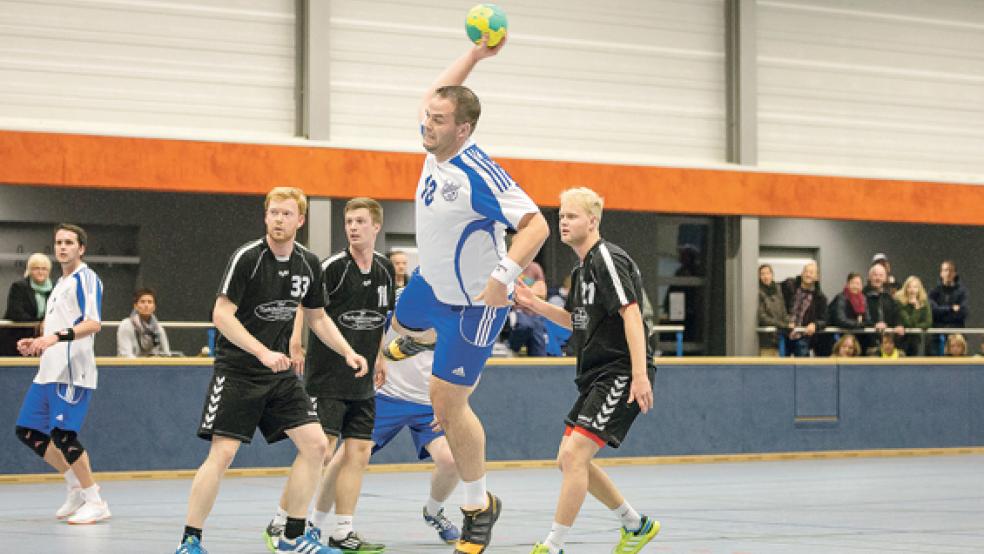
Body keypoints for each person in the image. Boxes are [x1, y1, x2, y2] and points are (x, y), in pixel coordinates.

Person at [386, 32, 550, 554]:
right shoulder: (435, 144)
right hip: (429, 285)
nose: (425, 125)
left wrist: (503, 277)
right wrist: (476, 55)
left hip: (473, 308)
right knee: (401, 326)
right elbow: (442, 87)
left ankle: (479, 506)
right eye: (426, 117)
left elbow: (536, 225)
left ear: (464, 128)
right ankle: (419, 337)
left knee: (446, 402)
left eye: (437, 121)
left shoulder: (478, 170)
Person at [176, 187, 367, 554]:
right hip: (238, 371)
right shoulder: (248, 258)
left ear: (300, 220)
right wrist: (263, 352)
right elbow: (221, 315)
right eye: (273, 213)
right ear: (266, 217)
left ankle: (292, 537)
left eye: (286, 214)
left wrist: (348, 351)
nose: (278, 220)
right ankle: (190, 540)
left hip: (278, 375)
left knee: (316, 446)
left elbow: (317, 316)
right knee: (223, 454)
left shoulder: (308, 263)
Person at [515, 187, 659, 554]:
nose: (563, 222)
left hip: (621, 370)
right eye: (561, 216)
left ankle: (555, 545)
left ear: (592, 221)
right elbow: (576, 322)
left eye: (572, 216)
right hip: (594, 374)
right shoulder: (581, 272)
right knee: (567, 460)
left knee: (576, 456)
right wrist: (535, 304)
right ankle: (635, 524)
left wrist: (639, 374)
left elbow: (631, 314)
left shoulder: (606, 259)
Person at [264, 198, 393, 553]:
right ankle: (281, 522)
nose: (353, 227)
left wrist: (379, 356)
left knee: (360, 452)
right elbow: (306, 308)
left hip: (363, 378)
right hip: (327, 376)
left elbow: (380, 317)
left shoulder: (384, 269)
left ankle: (342, 530)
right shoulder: (332, 267)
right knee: (319, 451)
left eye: (360, 221)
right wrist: (295, 342)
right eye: (349, 221)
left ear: (376, 227)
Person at [13, 225, 109, 524]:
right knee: (28, 431)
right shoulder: (60, 282)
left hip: (73, 371)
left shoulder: (87, 278)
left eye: (69, 242)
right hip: (48, 370)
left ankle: (95, 500)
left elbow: (93, 323)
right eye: (58, 242)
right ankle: (76, 486)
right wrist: (38, 341)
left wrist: (54, 338)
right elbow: (57, 323)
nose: (62, 247)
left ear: (81, 248)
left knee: (64, 436)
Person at [2, 253, 53, 356]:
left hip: (40, 341)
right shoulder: (19, 287)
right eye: (36, 268)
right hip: (15, 340)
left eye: (44, 269)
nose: (40, 272)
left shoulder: (55, 289)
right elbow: (16, 313)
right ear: (29, 270)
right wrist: (40, 323)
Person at [780, 262, 827, 357]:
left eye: (811, 272)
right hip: (784, 334)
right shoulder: (788, 286)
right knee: (781, 368)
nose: (808, 274)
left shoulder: (820, 298)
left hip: (803, 338)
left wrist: (815, 325)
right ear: (801, 273)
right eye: (806, 271)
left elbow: (824, 319)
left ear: (816, 277)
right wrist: (785, 321)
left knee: (802, 368)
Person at [507, 260, 548, 356]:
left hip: (534, 311)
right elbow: (506, 292)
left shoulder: (534, 267)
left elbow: (542, 293)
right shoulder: (508, 267)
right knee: (524, 325)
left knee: (539, 350)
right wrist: (532, 292)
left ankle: (538, 367)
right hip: (516, 310)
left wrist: (524, 293)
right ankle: (512, 348)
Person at [117, 288, 172, 357]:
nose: (146, 305)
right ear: (135, 306)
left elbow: (166, 354)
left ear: (154, 307)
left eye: (150, 302)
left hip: (152, 366)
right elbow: (126, 355)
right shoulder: (126, 325)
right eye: (142, 302)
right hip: (129, 366)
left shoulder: (158, 328)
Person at [929, 260, 968, 356]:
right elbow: (933, 311)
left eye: (951, 270)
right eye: (945, 270)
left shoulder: (962, 292)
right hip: (936, 337)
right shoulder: (934, 291)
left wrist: (942, 312)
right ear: (941, 273)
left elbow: (963, 313)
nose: (948, 273)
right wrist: (951, 309)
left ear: (955, 273)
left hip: (956, 336)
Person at [863, 264, 903, 354]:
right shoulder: (862, 296)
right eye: (875, 275)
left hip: (888, 345)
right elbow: (863, 316)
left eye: (881, 275)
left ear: (885, 278)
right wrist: (874, 325)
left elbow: (896, 313)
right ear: (869, 277)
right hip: (868, 343)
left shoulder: (889, 297)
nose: (878, 278)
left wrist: (899, 324)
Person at [826, 272, 870, 354]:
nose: (856, 286)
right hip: (839, 338)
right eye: (853, 283)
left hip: (859, 339)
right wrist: (859, 324)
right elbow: (840, 320)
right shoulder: (840, 298)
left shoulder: (863, 299)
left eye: (858, 284)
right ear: (848, 284)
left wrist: (862, 324)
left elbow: (868, 320)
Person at [757, 264, 790, 356]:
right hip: (766, 340)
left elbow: (784, 312)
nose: (765, 276)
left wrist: (790, 322)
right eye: (762, 274)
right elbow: (762, 317)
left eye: (768, 273)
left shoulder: (778, 290)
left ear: (772, 275)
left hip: (780, 339)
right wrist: (783, 325)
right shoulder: (757, 292)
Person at [894, 276, 932, 356]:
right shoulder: (900, 302)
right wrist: (916, 309)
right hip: (902, 339)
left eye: (915, 287)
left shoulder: (924, 302)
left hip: (917, 339)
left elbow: (928, 323)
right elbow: (908, 323)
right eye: (909, 287)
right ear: (905, 289)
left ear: (919, 289)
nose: (912, 290)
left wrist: (914, 327)